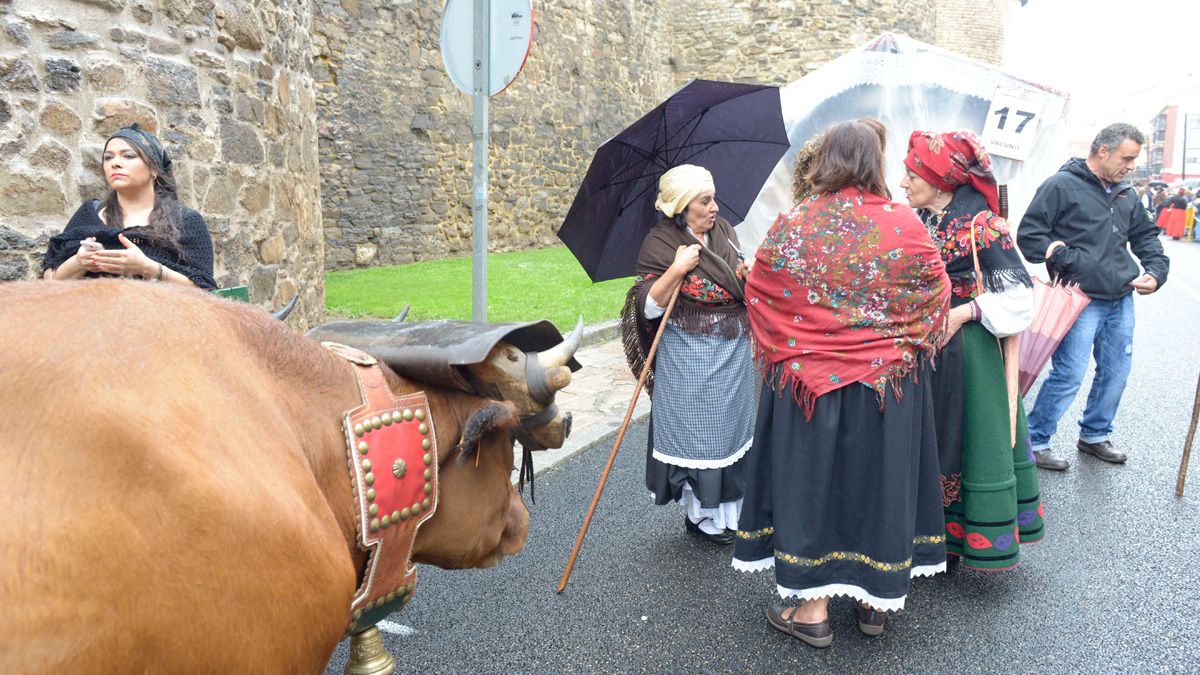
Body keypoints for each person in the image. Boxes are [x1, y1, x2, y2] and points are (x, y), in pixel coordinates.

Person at [733, 119, 950, 646]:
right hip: (886, 389)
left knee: (812, 489)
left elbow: (760, 291)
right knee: (878, 487)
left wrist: (802, 346)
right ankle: (875, 606)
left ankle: (812, 611)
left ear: (825, 160)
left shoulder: (795, 223)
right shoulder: (905, 224)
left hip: (809, 388)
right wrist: (894, 345)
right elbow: (935, 295)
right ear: (876, 162)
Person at [900, 129, 1044, 570]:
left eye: (912, 174)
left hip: (970, 354)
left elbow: (1021, 300)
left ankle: (964, 537)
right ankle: (925, 534)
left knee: (966, 439)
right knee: (928, 437)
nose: (903, 182)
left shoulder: (985, 227)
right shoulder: (923, 221)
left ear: (942, 179)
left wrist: (964, 313)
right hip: (926, 349)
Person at [1016, 123, 1170, 470]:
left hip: (1121, 297)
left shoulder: (1126, 193)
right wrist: (1063, 256)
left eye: (1134, 160)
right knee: (1068, 374)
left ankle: (1095, 435)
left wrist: (1156, 272)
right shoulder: (1060, 185)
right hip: (1078, 298)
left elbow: (1147, 237)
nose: (1131, 167)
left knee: (1116, 371)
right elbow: (1029, 236)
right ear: (1103, 151)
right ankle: (1035, 440)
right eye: (1127, 159)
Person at [620, 164, 754, 546]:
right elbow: (647, 307)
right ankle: (702, 518)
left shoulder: (723, 230)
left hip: (732, 351)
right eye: (704, 200)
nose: (714, 207)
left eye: (713, 198)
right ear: (681, 205)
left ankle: (731, 514)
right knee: (699, 437)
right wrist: (677, 269)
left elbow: (736, 277)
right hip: (690, 359)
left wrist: (747, 272)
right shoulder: (660, 245)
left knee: (730, 433)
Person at [42, 124, 217, 289]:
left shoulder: (186, 221)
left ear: (153, 169)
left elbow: (205, 290)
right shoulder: (89, 214)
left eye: (128, 156)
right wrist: (79, 262)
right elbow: (49, 282)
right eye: (108, 157)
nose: (115, 163)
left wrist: (150, 269)